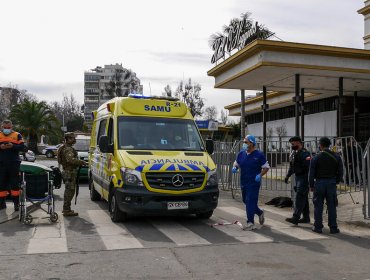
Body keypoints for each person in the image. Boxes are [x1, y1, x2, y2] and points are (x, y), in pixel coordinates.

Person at [232, 135, 270, 230]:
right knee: (246, 201)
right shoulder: (241, 154)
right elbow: (236, 163)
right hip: (244, 182)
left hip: (253, 183)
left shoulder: (259, 155)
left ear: (252, 143)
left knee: (250, 201)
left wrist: (260, 175)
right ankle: (260, 212)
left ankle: (250, 223)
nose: (244, 144)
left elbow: (266, 167)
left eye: (246, 142)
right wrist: (234, 168)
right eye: (244, 142)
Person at [309, 137, 343, 234]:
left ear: (320, 145)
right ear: (329, 145)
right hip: (331, 183)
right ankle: (333, 227)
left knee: (318, 205)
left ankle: (318, 227)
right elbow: (341, 172)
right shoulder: (337, 157)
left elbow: (311, 173)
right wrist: (336, 181)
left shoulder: (316, 157)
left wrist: (311, 185)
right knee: (332, 205)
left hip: (319, 183)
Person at [284, 136, 311, 225]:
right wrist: (287, 176)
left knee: (300, 197)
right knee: (304, 198)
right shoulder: (294, 153)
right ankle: (306, 217)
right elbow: (292, 166)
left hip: (304, 178)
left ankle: (295, 217)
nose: (292, 145)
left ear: (298, 143)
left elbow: (307, 167)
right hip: (298, 177)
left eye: (293, 144)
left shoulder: (305, 153)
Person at [57, 132, 86, 217]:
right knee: (69, 191)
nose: (74, 139)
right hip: (69, 172)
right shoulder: (67, 149)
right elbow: (71, 160)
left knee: (69, 190)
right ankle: (66, 210)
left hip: (68, 171)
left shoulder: (65, 147)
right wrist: (81, 162)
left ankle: (67, 209)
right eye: (73, 138)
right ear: (68, 139)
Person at [0, 120, 25, 211]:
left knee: (15, 185)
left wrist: (13, 146)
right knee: (1, 185)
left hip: (14, 164)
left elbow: (23, 147)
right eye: (5, 128)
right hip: (1, 164)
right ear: (2, 127)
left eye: (8, 128)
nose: (6, 129)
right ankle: (2, 204)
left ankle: (16, 205)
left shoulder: (17, 135)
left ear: (12, 127)